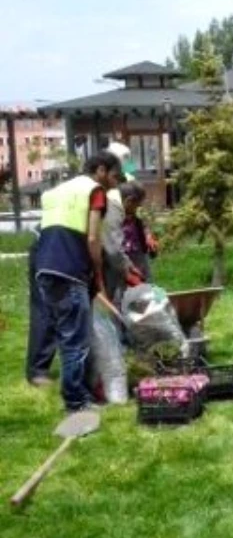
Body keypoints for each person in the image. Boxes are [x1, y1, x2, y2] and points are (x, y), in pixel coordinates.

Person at [32, 151, 124, 412]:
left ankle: (75, 392)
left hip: (44, 269)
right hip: (70, 270)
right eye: (114, 176)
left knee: (66, 335)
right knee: (76, 341)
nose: (115, 184)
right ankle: (76, 402)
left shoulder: (59, 190)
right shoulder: (95, 192)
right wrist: (97, 274)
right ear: (101, 170)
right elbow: (93, 239)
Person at [102, 142, 142, 300]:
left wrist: (145, 231)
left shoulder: (128, 176)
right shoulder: (111, 194)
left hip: (130, 239)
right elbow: (111, 244)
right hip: (114, 239)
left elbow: (136, 206)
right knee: (114, 282)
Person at [25, 229, 56, 387]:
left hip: (53, 246)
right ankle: (37, 371)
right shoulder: (104, 205)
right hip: (50, 249)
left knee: (48, 309)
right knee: (46, 310)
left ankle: (38, 369)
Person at [119, 181, 158, 282]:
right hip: (124, 260)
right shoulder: (115, 219)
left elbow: (143, 226)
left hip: (140, 257)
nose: (139, 206)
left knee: (146, 282)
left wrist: (148, 236)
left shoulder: (135, 219)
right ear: (129, 201)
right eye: (138, 204)